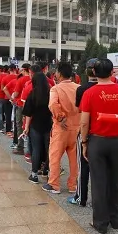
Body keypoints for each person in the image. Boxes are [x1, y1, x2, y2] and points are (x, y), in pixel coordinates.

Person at [79, 58, 118, 234]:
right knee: (115, 180)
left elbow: (85, 122)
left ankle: (101, 223)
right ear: (112, 73)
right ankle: (115, 218)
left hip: (98, 141)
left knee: (99, 182)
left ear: (94, 73)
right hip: (117, 141)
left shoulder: (90, 93)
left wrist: (84, 142)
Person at [44, 62, 80, 194]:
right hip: (76, 128)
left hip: (61, 128)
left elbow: (53, 104)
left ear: (59, 74)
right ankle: (73, 185)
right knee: (74, 159)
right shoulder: (79, 88)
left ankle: (54, 184)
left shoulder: (56, 89)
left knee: (54, 156)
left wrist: (60, 117)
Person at [68, 59, 98, 207]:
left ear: (87, 71)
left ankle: (81, 197)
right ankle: (98, 200)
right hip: (104, 133)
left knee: (84, 165)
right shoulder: (112, 88)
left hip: (86, 131)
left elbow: (80, 111)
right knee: (100, 169)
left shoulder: (82, 89)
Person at [22, 71, 53, 184]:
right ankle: (48, 171)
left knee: (36, 150)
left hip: (35, 125)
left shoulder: (32, 94)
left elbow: (28, 113)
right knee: (49, 149)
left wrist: (26, 127)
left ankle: (34, 174)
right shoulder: (51, 93)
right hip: (49, 125)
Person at [11, 63, 31, 152]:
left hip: (20, 104)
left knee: (19, 125)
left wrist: (12, 97)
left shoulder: (21, 80)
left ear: (24, 70)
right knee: (30, 125)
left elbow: (16, 93)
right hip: (31, 105)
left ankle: (20, 146)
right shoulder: (32, 79)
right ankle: (30, 148)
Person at [1, 64, 17, 136]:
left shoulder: (5, 78)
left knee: (8, 114)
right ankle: (16, 130)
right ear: (15, 69)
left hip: (7, 98)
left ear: (9, 70)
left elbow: (2, 89)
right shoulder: (19, 77)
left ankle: (8, 130)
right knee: (16, 115)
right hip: (16, 98)